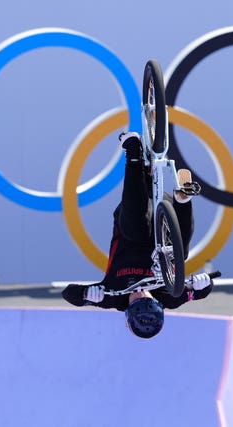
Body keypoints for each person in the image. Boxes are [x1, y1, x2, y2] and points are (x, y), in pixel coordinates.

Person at [61, 131, 214, 339]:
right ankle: (183, 199)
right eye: (147, 297)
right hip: (166, 220)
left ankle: (133, 152)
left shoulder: (112, 296)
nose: (140, 293)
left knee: (137, 230)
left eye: (136, 299)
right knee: (181, 254)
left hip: (132, 217)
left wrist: (88, 295)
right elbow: (201, 291)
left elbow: (69, 294)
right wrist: (202, 283)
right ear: (157, 303)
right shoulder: (171, 297)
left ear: (127, 309)